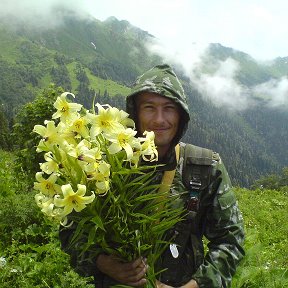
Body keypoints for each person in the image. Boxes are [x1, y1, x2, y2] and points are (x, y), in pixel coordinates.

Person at [59, 64, 245, 287]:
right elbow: (70, 233)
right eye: (149, 107)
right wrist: (103, 263)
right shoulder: (102, 162)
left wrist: (194, 286)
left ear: (181, 114)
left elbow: (230, 241)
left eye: (169, 108)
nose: (159, 119)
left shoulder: (205, 166)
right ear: (135, 113)